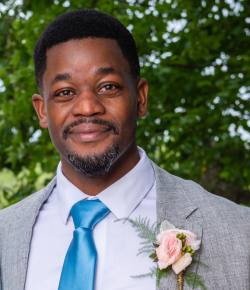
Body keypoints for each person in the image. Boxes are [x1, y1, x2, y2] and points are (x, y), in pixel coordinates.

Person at [0, 9, 249, 290]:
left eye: (108, 87)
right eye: (65, 92)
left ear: (140, 98)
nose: (87, 107)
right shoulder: (5, 235)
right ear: (42, 110)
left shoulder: (240, 233)